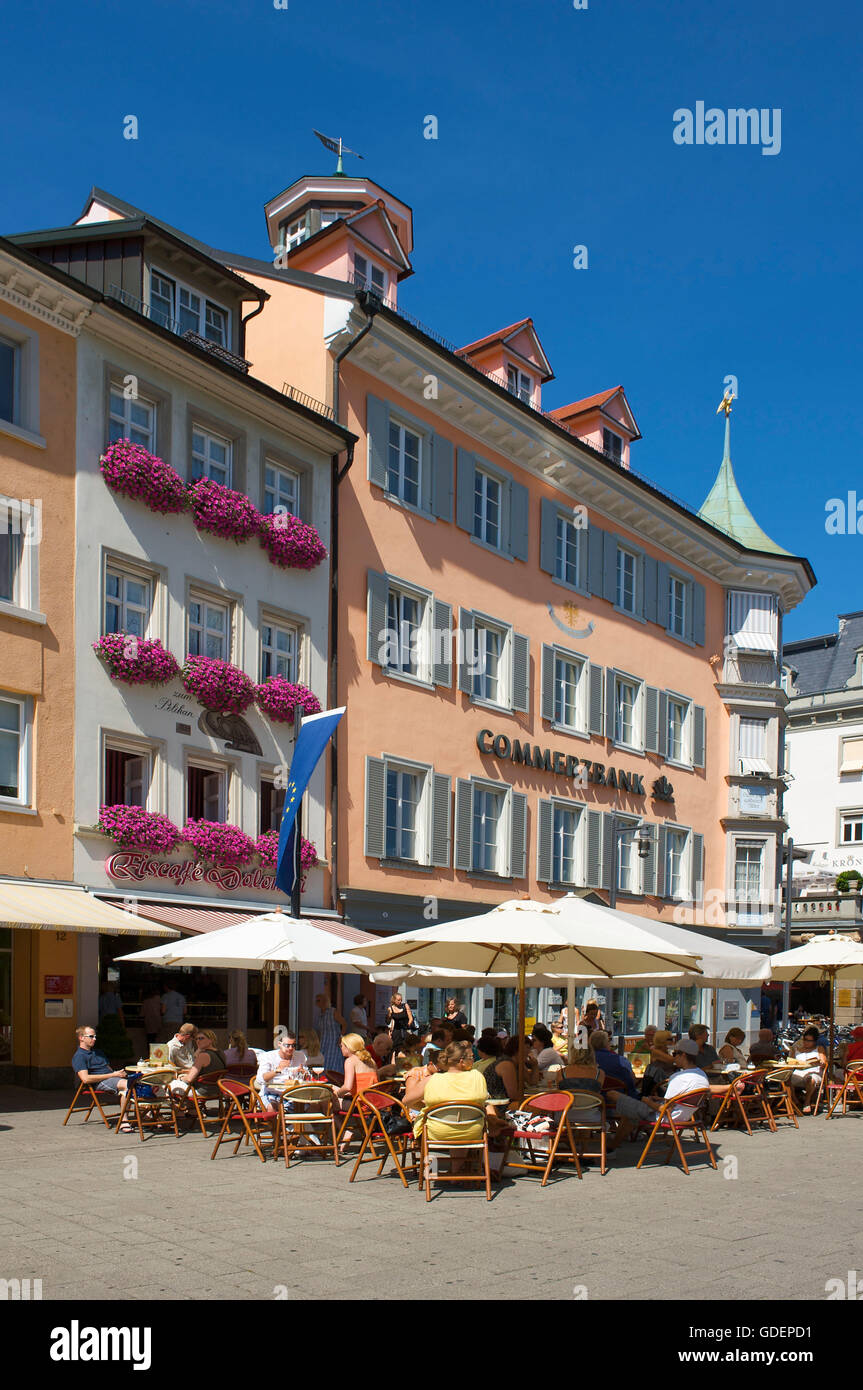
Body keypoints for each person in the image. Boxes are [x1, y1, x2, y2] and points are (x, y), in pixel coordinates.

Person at [413, 1041, 503, 1168]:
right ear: (461, 1061)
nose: (474, 1060)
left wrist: (428, 1109)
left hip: (438, 1132)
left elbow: (407, 1100)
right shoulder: (477, 1077)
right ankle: (457, 1172)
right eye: (472, 1058)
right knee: (461, 1122)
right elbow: (484, 1101)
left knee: (449, 1123)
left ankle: (433, 1170)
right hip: (472, 1131)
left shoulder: (433, 1080)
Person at [608, 1039, 709, 1146]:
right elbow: (677, 1100)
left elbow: (666, 1109)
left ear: (683, 1055)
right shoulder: (702, 1075)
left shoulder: (679, 1077)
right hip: (684, 1116)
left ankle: (611, 1146)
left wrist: (646, 1100)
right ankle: (614, 1146)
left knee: (613, 1094)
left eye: (674, 1054)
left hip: (663, 1117)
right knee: (630, 1111)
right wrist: (659, 1099)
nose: (673, 1057)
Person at [71, 1025, 130, 1129]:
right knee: (128, 1085)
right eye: (91, 1036)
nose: (94, 1039)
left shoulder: (98, 1052)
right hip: (98, 1082)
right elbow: (85, 1079)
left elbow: (108, 1068)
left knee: (141, 1082)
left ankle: (149, 1114)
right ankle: (124, 1120)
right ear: (81, 1038)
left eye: (95, 1036)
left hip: (111, 1077)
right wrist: (114, 1075)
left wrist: (118, 1073)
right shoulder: (79, 1056)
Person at [171, 1029, 228, 1109]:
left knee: (168, 1085)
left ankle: (178, 1112)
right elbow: (209, 1070)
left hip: (202, 1091)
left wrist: (180, 1078)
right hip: (217, 1090)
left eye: (201, 1038)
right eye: (196, 1039)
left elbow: (189, 1079)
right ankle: (192, 1111)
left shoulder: (203, 1056)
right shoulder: (221, 1053)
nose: (198, 1041)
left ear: (210, 1040)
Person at [255, 1030, 309, 1109]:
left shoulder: (300, 1056)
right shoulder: (268, 1056)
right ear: (279, 1044)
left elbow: (305, 1078)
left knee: (314, 1105)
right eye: (287, 1045)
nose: (291, 1048)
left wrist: (304, 1074)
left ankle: (299, 1121)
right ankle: (276, 1121)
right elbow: (260, 1079)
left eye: (293, 1045)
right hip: (271, 1093)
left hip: (293, 1094)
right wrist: (277, 1070)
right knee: (271, 1107)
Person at [587, 1029, 640, 1099]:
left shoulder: (585, 1061)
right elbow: (632, 1081)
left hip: (593, 1099)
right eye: (609, 1040)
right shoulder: (621, 1060)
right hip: (619, 1101)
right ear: (606, 1043)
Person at [788, 1025, 827, 1113]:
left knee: (810, 1079)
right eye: (805, 1040)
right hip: (798, 1073)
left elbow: (824, 1062)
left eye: (809, 1041)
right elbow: (791, 1062)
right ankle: (795, 1101)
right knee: (786, 1078)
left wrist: (819, 1062)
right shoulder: (796, 1050)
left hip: (814, 1072)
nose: (806, 1042)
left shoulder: (819, 1049)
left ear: (814, 1041)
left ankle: (807, 1102)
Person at [474, 1033, 518, 1101]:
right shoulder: (504, 1063)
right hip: (495, 1102)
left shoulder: (481, 1064)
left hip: (483, 1100)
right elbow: (513, 1094)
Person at [313, 992, 346, 1073]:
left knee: (334, 1063)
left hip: (334, 1042)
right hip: (324, 1043)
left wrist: (341, 1037)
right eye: (316, 1001)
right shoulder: (320, 1014)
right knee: (323, 1062)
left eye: (318, 1000)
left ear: (324, 1001)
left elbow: (344, 1023)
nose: (316, 1003)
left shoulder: (333, 1012)